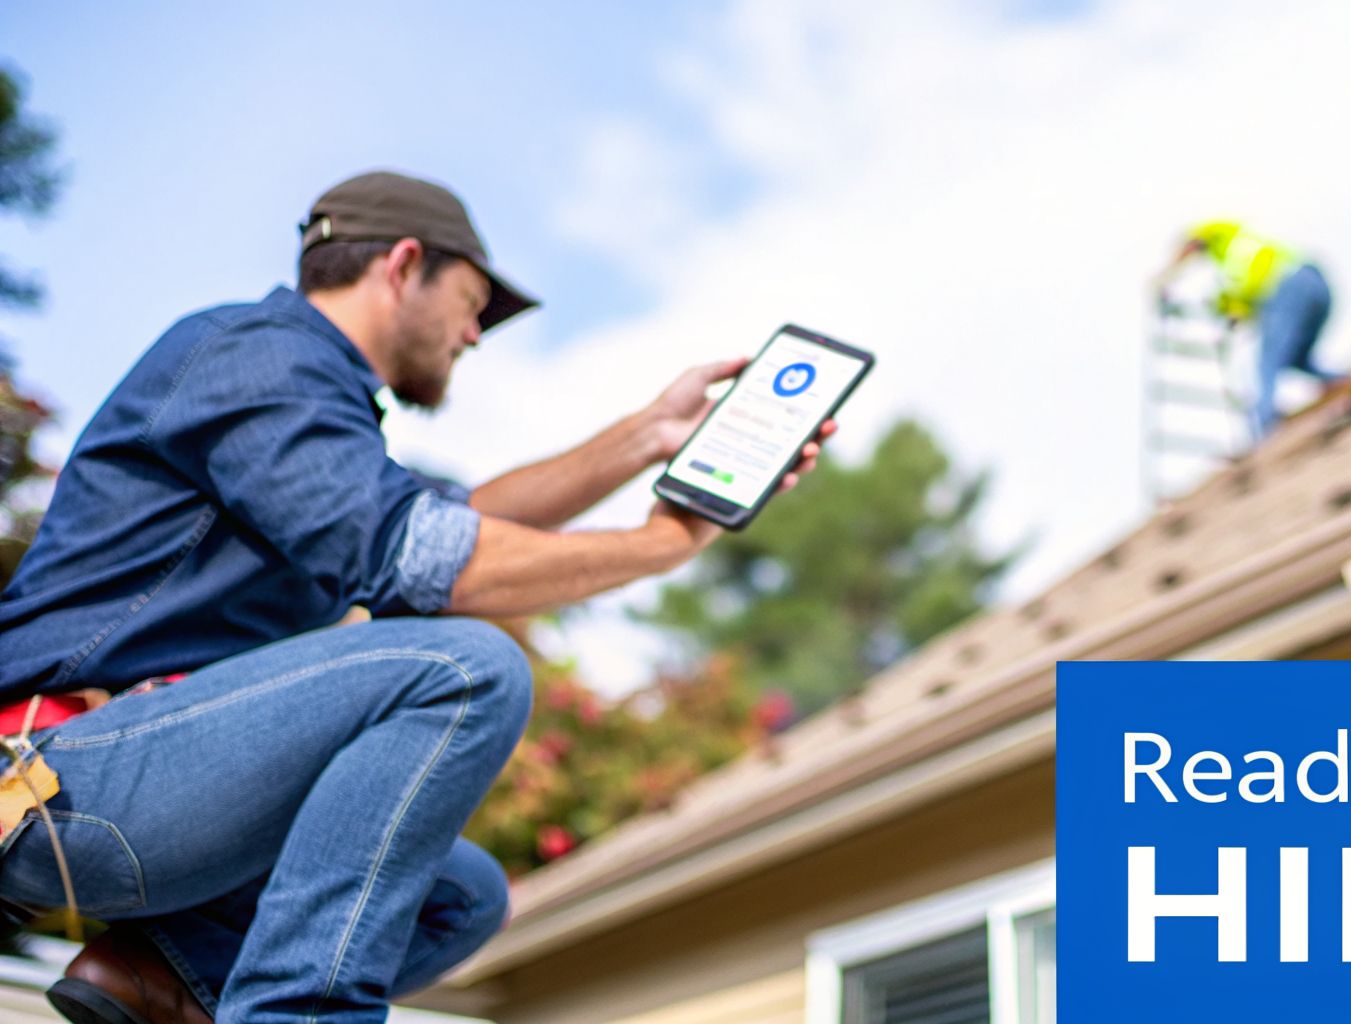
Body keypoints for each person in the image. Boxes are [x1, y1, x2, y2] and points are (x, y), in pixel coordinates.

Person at [0, 170, 835, 1023]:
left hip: (148, 776)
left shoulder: (309, 405)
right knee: (467, 669)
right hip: (57, 772)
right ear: (402, 266)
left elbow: (464, 519)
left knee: (459, 896)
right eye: (472, 304)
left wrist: (648, 436)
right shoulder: (255, 356)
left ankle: (154, 974)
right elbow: (430, 558)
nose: (473, 335)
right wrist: (660, 546)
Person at [1163, 220, 1342, 436]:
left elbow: (1245, 288)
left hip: (1291, 287)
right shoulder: (1243, 246)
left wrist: (1169, 276)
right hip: (1316, 284)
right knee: (1296, 358)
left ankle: (1265, 427)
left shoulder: (1231, 251)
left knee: (1267, 364)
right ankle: (1339, 381)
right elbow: (1248, 293)